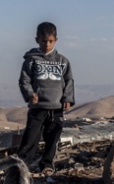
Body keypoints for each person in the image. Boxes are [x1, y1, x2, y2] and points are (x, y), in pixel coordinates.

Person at [16, 21, 75, 174]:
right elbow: (24, 80)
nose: (47, 44)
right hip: (38, 108)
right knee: (30, 139)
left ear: (56, 40)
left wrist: (68, 98)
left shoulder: (63, 61)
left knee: (52, 139)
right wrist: (30, 94)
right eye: (43, 41)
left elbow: (69, 81)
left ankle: (47, 165)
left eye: (50, 41)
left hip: (56, 108)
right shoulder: (32, 60)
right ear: (37, 40)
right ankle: (22, 167)